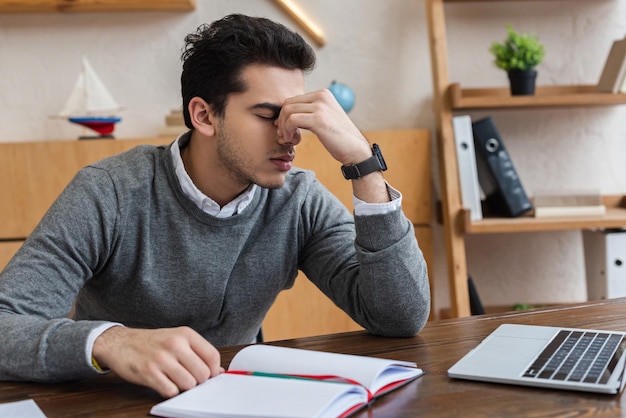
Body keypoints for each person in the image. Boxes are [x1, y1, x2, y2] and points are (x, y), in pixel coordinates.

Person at [0, 14, 430, 398]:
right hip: (111, 402)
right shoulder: (108, 192)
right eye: (268, 115)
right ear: (204, 115)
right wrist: (111, 342)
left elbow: (400, 316)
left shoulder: (298, 199)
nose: (291, 135)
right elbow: (6, 323)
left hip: (240, 401)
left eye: (295, 116)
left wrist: (364, 165)